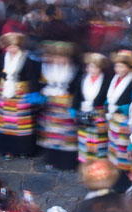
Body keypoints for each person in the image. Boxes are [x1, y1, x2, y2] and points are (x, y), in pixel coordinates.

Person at [0, 27, 41, 160]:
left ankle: (23, 150)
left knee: (22, 124)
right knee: (5, 124)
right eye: (10, 47)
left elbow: (32, 77)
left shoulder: (26, 59)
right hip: (4, 94)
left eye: (15, 47)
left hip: (21, 95)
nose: (12, 49)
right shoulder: (2, 59)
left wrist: (34, 93)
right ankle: (7, 149)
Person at [36, 40, 79, 170]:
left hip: (66, 107)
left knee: (66, 137)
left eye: (63, 57)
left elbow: (76, 89)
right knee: (52, 136)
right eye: (57, 57)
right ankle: (52, 159)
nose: (60, 60)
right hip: (51, 107)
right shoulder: (47, 69)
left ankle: (67, 162)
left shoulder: (74, 71)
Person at [75, 52, 112, 165]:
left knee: (98, 143)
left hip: (98, 116)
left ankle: (98, 165)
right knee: (84, 142)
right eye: (90, 66)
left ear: (101, 68)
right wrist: (74, 109)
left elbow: (108, 98)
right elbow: (77, 95)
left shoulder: (106, 81)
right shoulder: (82, 78)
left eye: (95, 67)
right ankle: (85, 165)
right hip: (84, 115)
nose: (92, 70)